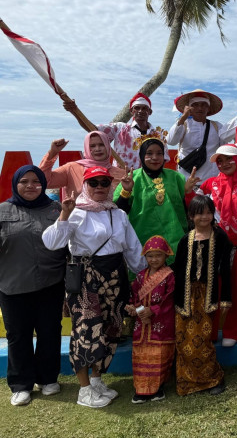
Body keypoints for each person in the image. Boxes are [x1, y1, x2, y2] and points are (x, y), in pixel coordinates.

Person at [42, 166, 145, 408]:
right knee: (86, 331)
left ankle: (97, 381)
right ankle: (84, 389)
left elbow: (131, 247)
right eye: (93, 182)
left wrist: (143, 273)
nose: (99, 187)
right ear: (85, 186)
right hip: (86, 279)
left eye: (104, 182)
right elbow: (51, 242)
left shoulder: (118, 214)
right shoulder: (75, 212)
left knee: (110, 329)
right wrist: (64, 215)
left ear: (111, 186)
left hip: (115, 278)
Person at [0, 165, 68, 406]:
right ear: (15, 184)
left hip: (51, 283)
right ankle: (21, 384)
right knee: (18, 335)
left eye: (36, 181)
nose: (31, 186)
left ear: (43, 184)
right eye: (24, 181)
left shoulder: (56, 209)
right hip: (13, 285)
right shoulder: (3, 211)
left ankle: (48, 378)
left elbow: (67, 242)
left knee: (50, 331)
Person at [195, 144, 237, 346]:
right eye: (220, 161)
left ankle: (232, 331)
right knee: (213, 285)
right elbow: (196, 206)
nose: (224, 164)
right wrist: (189, 192)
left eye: (229, 159)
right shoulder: (211, 183)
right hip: (217, 241)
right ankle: (210, 331)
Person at [172, 195, 232, 396]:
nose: (204, 217)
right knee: (183, 340)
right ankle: (187, 382)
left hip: (206, 296)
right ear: (191, 216)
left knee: (203, 339)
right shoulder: (185, 240)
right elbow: (178, 270)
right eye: (199, 213)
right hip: (185, 296)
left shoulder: (220, 237)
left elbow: (226, 270)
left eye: (208, 212)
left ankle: (212, 380)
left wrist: (226, 299)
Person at [114, 136, 194, 265]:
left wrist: (190, 192)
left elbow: (189, 209)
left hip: (176, 242)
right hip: (142, 242)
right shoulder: (132, 178)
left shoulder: (176, 178)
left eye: (159, 153)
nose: (155, 157)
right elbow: (118, 213)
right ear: (141, 155)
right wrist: (126, 191)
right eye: (149, 153)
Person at [125, 235, 175, 404]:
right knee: (141, 355)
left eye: (158, 255)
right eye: (150, 256)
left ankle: (157, 389)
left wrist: (152, 310)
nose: (154, 259)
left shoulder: (169, 276)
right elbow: (135, 297)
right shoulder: (140, 276)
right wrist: (138, 310)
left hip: (161, 324)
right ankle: (141, 390)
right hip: (142, 325)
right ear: (145, 257)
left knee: (159, 356)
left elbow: (169, 300)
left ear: (166, 256)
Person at [167, 89, 236, 183]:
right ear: (189, 108)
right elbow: (171, 141)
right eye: (195, 105)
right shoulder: (183, 125)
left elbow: (224, 147)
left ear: (208, 108)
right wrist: (183, 118)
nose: (200, 108)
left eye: (204, 105)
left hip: (211, 177)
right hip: (187, 178)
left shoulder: (217, 126)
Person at [40, 131, 125, 200]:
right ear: (86, 148)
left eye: (101, 145)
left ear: (108, 146)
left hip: (111, 216)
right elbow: (43, 181)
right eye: (92, 146)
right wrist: (52, 153)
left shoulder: (122, 174)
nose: (97, 149)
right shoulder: (72, 169)